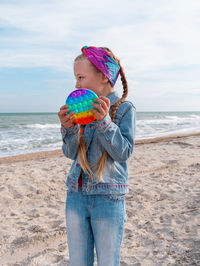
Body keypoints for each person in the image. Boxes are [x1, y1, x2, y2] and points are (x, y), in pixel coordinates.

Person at [58, 45, 136, 266]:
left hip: (108, 198)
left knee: (108, 260)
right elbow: (71, 153)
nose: (76, 84)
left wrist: (104, 122)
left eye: (81, 77)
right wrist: (69, 128)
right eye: (76, 78)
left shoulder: (124, 109)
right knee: (78, 261)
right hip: (76, 194)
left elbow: (124, 152)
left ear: (103, 76)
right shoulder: (81, 110)